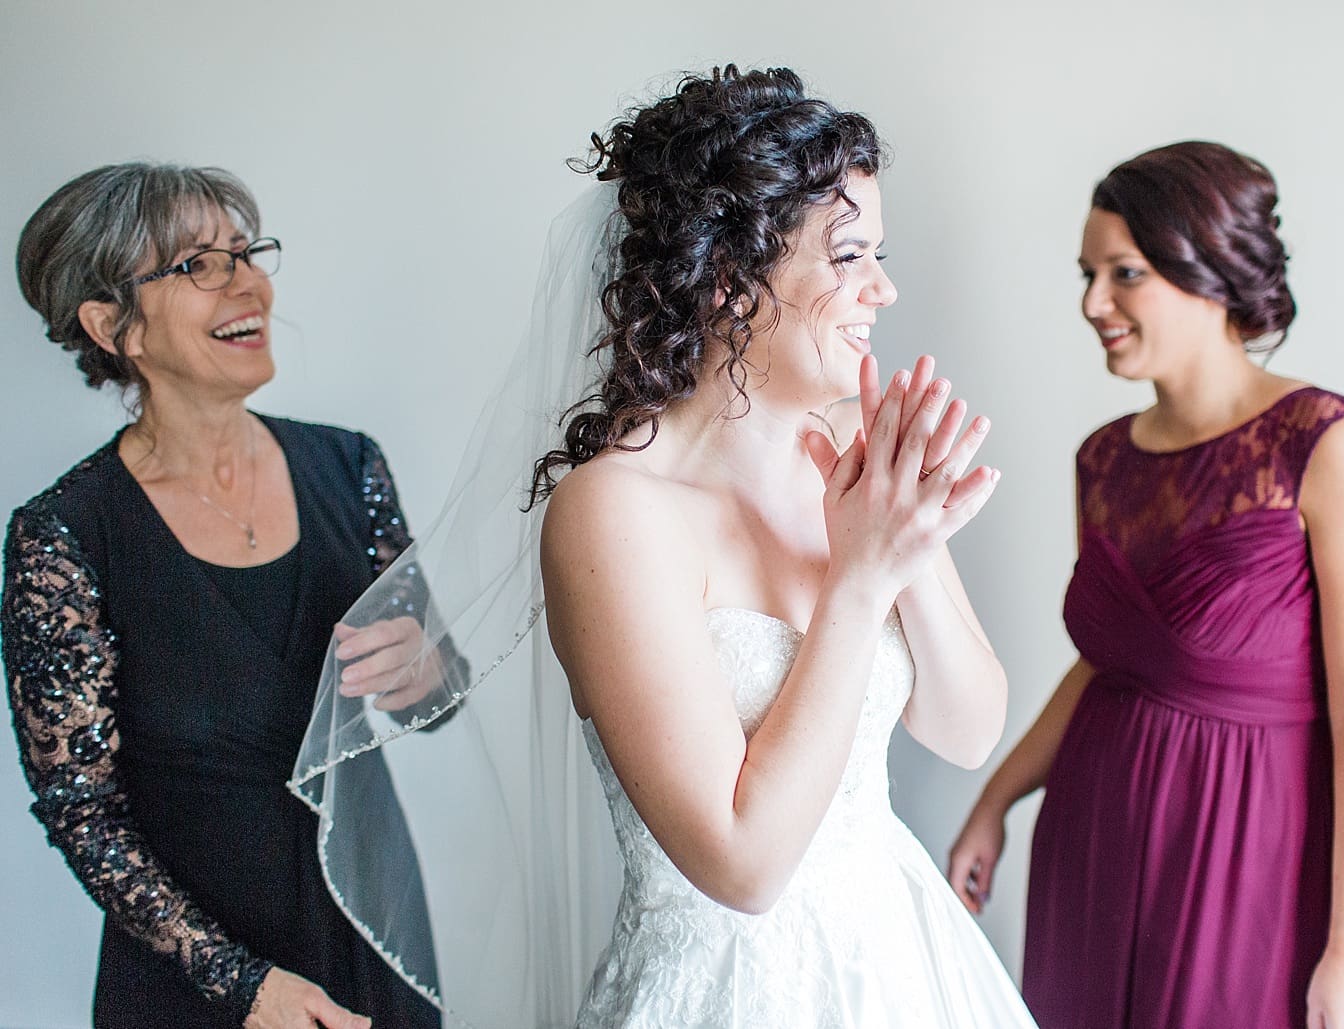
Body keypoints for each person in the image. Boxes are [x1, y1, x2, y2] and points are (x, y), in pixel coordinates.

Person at [526, 65, 1033, 1026]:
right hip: (725, 987)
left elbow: (965, 730)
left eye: (879, 254)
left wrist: (905, 535)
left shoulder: (854, 455)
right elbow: (742, 865)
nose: (882, 289)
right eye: (846, 258)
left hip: (901, 963)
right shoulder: (613, 512)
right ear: (727, 279)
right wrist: (859, 576)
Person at [947, 141, 1344, 1029]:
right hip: (1093, 836)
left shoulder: (1330, 449)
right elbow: (1112, 663)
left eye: (1123, 273)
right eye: (1088, 273)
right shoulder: (1101, 459)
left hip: (1245, 849)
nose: (1093, 303)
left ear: (1208, 271)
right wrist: (996, 798)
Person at [4, 163, 449, 1028]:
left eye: (245, 253)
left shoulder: (349, 466)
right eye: (197, 265)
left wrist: (424, 666)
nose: (247, 281)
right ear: (111, 325)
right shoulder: (62, 537)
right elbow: (81, 810)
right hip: (198, 986)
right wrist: (245, 986)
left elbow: (434, 698)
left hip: (372, 935)